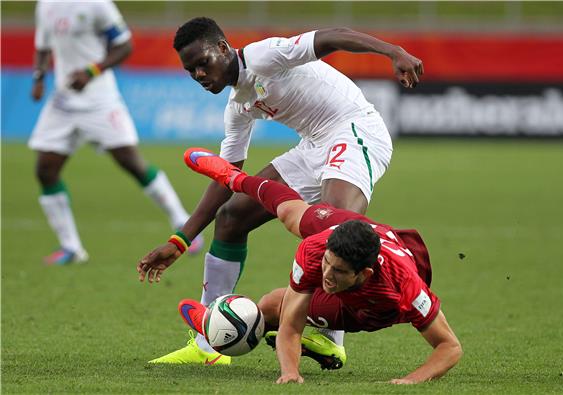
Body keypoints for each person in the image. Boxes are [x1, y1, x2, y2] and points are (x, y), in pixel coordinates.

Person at [138, 17, 424, 365]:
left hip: (355, 130)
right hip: (314, 145)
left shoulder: (265, 56)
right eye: (190, 70)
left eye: (203, 63)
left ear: (224, 49)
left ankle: (330, 337)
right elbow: (225, 177)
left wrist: (393, 51)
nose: (198, 74)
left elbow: (335, 36)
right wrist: (180, 240)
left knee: (332, 228)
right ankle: (207, 344)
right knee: (232, 216)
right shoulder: (238, 107)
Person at [172, 148, 462, 384]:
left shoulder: (404, 288)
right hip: (354, 234)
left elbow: (449, 347)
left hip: (373, 303)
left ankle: (221, 326)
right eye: (327, 263)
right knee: (289, 214)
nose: (326, 275)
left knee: (271, 306)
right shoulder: (316, 250)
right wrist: (290, 372)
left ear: (363, 274)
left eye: (337, 271)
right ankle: (233, 177)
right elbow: (291, 324)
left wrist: (410, 381)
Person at [30, 0, 203, 264]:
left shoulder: (98, 5)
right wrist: (39, 76)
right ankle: (71, 248)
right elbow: (43, 46)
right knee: (45, 169)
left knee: (132, 163)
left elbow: (124, 46)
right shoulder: (46, 5)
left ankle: (182, 221)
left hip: (100, 99)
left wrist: (91, 71)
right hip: (63, 100)